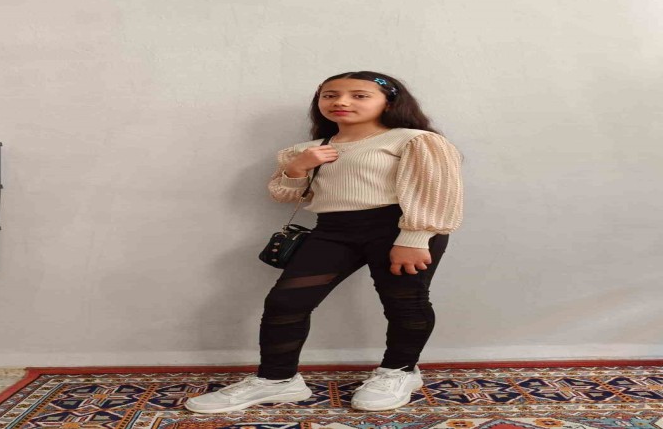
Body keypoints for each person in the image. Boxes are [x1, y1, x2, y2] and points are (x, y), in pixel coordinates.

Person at [185, 70, 464, 414]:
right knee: (286, 302)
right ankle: (278, 379)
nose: (341, 102)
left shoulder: (413, 140)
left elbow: (436, 191)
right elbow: (284, 194)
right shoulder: (308, 149)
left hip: (398, 228)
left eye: (359, 95)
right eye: (330, 95)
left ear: (389, 102)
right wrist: (299, 167)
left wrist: (415, 237)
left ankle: (399, 371)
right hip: (333, 230)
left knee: (404, 302)